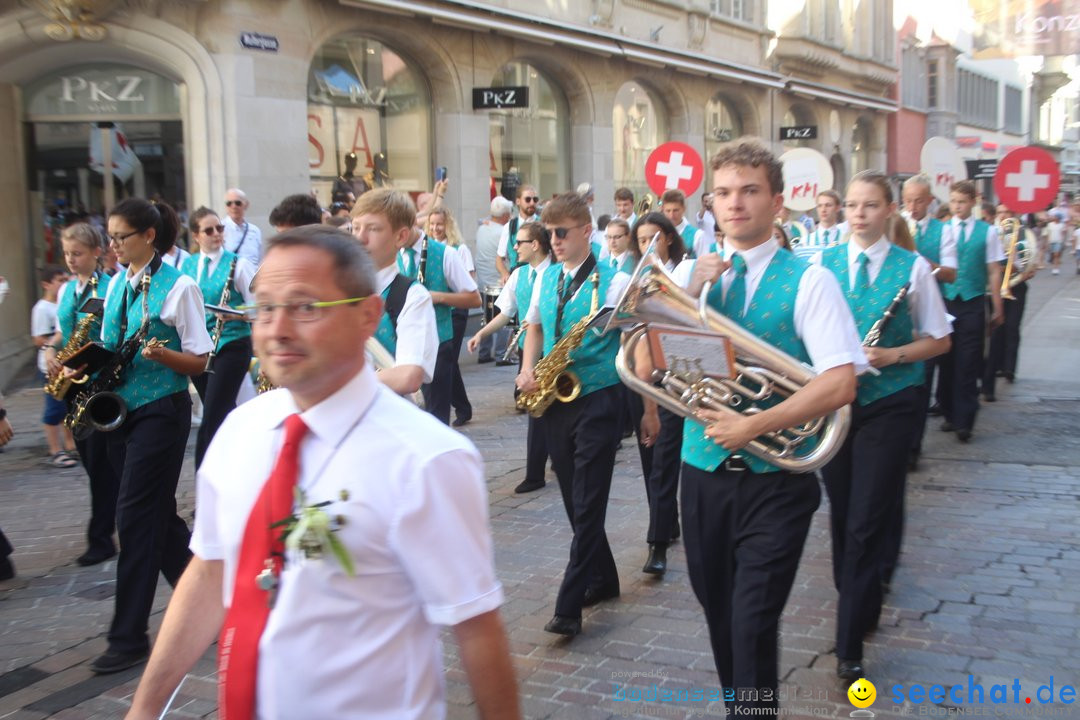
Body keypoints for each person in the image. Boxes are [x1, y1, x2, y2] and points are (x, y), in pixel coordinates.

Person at [122, 225, 519, 720]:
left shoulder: (426, 459)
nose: (277, 329)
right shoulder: (241, 431)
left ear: (367, 316)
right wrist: (143, 709)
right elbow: (209, 572)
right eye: (264, 307)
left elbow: (476, 628)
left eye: (305, 307)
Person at [661, 139, 864, 716]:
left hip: (776, 477)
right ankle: (744, 707)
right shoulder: (687, 277)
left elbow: (840, 383)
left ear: (777, 202)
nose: (735, 203)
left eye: (750, 191)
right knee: (720, 612)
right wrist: (687, 294)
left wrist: (755, 424)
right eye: (723, 193)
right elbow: (647, 367)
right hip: (701, 474)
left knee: (752, 620)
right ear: (711, 203)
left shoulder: (812, 281)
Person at [812, 171, 952, 682]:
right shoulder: (821, 265)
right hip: (837, 405)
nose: (858, 214)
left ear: (889, 209)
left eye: (870, 205)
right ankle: (859, 593)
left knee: (867, 517)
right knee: (844, 511)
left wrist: (892, 353)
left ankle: (848, 646)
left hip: (891, 403)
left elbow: (938, 340)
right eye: (852, 205)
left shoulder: (912, 267)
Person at [88, 198, 215, 674]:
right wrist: (78, 365)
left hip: (162, 410)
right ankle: (206, 601)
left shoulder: (180, 286)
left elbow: (201, 359)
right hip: (121, 410)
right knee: (157, 518)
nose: (113, 246)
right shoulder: (118, 282)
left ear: (147, 235)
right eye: (111, 237)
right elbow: (109, 343)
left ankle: (128, 636)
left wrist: (164, 356)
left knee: (135, 517)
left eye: (120, 237)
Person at [516, 191, 631, 637]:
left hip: (600, 396)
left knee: (588, 498)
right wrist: (528, 368)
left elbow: (637, 340)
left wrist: (648, 409)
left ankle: (569, 603)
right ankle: (604, 578)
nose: (554, 241)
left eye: (562, 233)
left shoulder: (615, 281)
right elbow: (536, 327)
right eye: (549, 234)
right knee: (571, 496)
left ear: (587, 231)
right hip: (555, 396)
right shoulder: (547, 279)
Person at [46, 224, 119, 564]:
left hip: (96, 383)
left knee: (101, 464)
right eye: (67, 254)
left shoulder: (108, 288)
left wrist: (83, 367)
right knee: (94, 464)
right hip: (71, 384)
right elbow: (64, 332)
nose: (71, 260)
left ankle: (102, 537)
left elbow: (109, 338)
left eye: (77, 254)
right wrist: (50, 349)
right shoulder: (66, 291)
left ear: (96, 253)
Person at [468, 223, 553, 493]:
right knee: (535, 410)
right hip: (530, 350)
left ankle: (556, 463)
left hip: (555, 348)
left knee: (556, 412)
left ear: (535, 245)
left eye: (520, 243)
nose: (514, 248)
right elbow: (505, 312)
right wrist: (481, 334)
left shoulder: (555, 272)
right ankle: (535, 473)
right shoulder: (519, 275)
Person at [630, 212, 690, 576]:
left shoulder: (684, 270)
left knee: (671, 462)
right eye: (641, 240)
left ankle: (662, 536)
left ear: (668, 238)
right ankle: (663, 532)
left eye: (654, 238)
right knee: (656, 461)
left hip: (689, 375)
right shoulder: (636, 280)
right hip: (656, 377)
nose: (648, 245)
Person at [179, 207, 258, 469]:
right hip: (199, 348)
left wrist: (236, 316)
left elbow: (258, 307)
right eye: (209, 230)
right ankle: (238, 467)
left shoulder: (239, 264)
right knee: (222, 413)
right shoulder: (187, 265)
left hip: (232, 344)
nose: (216, 234)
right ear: (195, 235)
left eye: (220, 228)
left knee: (212, 414)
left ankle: (204, 479)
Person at [351, 188, 438, 398]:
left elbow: (408, 376)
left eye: (372, 229)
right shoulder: (335, 289)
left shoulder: (413, 296)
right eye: (355, 228)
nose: (360, 238)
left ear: (400, 237)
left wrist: (334, 382)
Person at [937, 180, 1005, 443]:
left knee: (968, 362)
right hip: (946, 301)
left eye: (962, 202)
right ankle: (949, 411)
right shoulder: (942, 230)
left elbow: (993, 269)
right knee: (946, 361)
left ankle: (965, 419)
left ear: (973, 202)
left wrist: (997, 304)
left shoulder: (987, 232)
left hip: (973, 301)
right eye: (953, 201)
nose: (957, 207)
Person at [398, 215, 480, 425]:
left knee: (435, 419)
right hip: (403, 344)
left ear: (403, 230)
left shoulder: (446, 253)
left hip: (436, 340)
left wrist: (435, 296)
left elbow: (474, 298)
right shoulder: (393, 253)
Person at [901, 173, 959, 470]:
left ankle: (913, 447)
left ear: (930, 200)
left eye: (918, 201)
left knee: (922, 381)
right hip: (895, 313)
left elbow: (950, 273)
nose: (912, 206)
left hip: (926, 312)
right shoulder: (895, 224)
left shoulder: (943, 230)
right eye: (908, 200)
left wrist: (921, 264)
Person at [982, 206, 1037, 401]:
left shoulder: (1021, 235)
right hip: (995, 289)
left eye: (1006, 212)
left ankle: (1009, 368)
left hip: (1016, 286)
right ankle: (993, 369)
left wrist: (1017, 260)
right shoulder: (991, 233)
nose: (1003, 216)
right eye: (1000, 212)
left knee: (1012, 328)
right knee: (995, 333)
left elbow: (1028, 262)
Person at [427, 208, 474, 427]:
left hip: (456, 312)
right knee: (448, 362)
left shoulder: (458, 249)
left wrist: (442, 296)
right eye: (433, 223)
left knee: (449, 361)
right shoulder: (427, 249)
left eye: (440, 224)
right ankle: (462, 406)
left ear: (448, 225)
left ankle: (460, 407)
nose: (436, 228)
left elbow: (469, 283)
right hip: (436, 313)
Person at [33, 264, 78, 468]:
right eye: (59, 280)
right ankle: (55, 449)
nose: (64, 283)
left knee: (67, 408)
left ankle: (70, 445)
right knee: (54, 409)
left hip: (65, 364)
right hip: (50, 366)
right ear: (46, 284)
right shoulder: (42, 308)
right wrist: (57, 343)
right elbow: (38, 339)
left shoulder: (63, 301)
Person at [475, 196, 514, 362]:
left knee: (487, 317)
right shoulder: (503, 232)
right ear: (505, 214)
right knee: (505, 315)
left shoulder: (482, 229)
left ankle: (484, 353)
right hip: (499, 279)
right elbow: (509, 255)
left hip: (483, 281)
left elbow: (482, 221)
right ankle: (501, 354)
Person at [496, 185, 540, 282]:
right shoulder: (509, 226)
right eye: (528, 199)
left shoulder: (543, 224)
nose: (532, 203)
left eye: (535, 199)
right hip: (516, 277)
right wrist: (505, 274)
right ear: (518, 201)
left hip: (539, 276)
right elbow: (499, 258)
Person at [661, 188, 709, 258]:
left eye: (675, 210)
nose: (671, 215)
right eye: (668, 211)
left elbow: (705, 264)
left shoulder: (697, 236)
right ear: (663, 210)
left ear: (684, 208)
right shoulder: (658, 234)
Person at [222, 188, 263, 267]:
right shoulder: (219, 229)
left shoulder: (255, 230)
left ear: (246, 205)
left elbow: (259, 258)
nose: (233, 206)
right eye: (229, 203)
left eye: (238, 203)